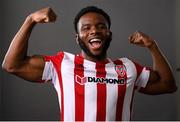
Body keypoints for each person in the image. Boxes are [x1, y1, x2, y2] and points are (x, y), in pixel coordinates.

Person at [2, 6, 177, 121]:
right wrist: (30, 20)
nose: (94, 30)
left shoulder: (126, 68)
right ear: (77, 38)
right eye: (86, 28)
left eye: (101, 26)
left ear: (108, 34)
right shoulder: (62, 64)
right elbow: (12, 65)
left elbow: (168, 85)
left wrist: (152, 46)